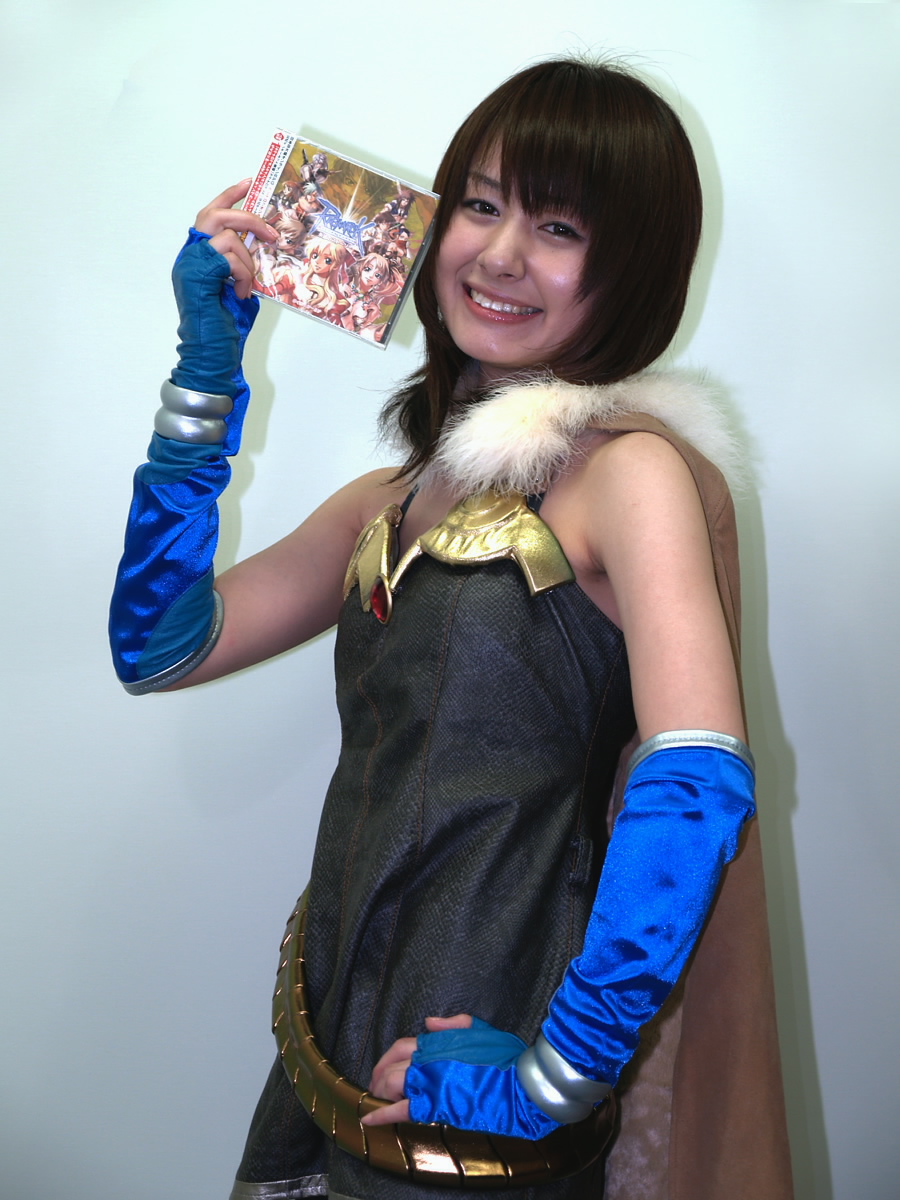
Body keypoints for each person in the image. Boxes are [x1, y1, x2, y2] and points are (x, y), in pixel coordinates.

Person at [109, 58, 793, 1200]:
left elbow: (698, 786)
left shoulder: (629, 477)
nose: (501, 254)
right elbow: (160, 646)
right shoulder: (384, 504)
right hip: (323, 1051)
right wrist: (205, 367)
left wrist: (552, 1077)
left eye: (559, 227)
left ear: (632, 269)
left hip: (478, 1074)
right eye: (480, 204)